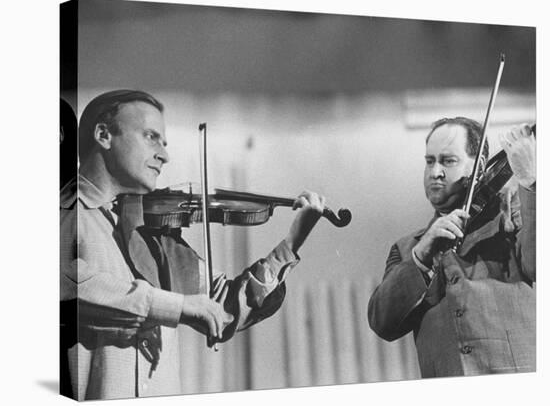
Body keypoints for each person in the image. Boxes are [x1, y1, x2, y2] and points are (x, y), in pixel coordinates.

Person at [60, 89, 326, 400]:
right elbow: (73, 287)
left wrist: (292, 242)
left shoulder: (153, 232)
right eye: (151, 137)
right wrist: (180, 306)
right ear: (104, 135)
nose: (164, 154)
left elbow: (224, 308)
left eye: (164, 142)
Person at [367, 117, 536, 378]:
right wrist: (421, 256)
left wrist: (531, 184)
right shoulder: (406, 248)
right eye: (429, 161)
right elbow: (382, 323)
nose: (435, 172)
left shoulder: (513, 212)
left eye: (448, 161)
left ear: (479, 166)